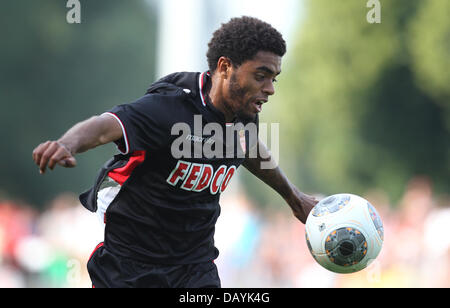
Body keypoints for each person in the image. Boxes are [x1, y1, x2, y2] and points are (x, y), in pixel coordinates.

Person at [32, 16, 318, 288]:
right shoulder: (169, 109)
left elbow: (248, 144)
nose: (269, 89)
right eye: (261, 76)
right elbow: (106, 126)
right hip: (129, 265)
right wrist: (66, 144)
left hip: (194, 267)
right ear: (225, 67)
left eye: (274, 79)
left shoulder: (244, 113)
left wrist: (294, 198)